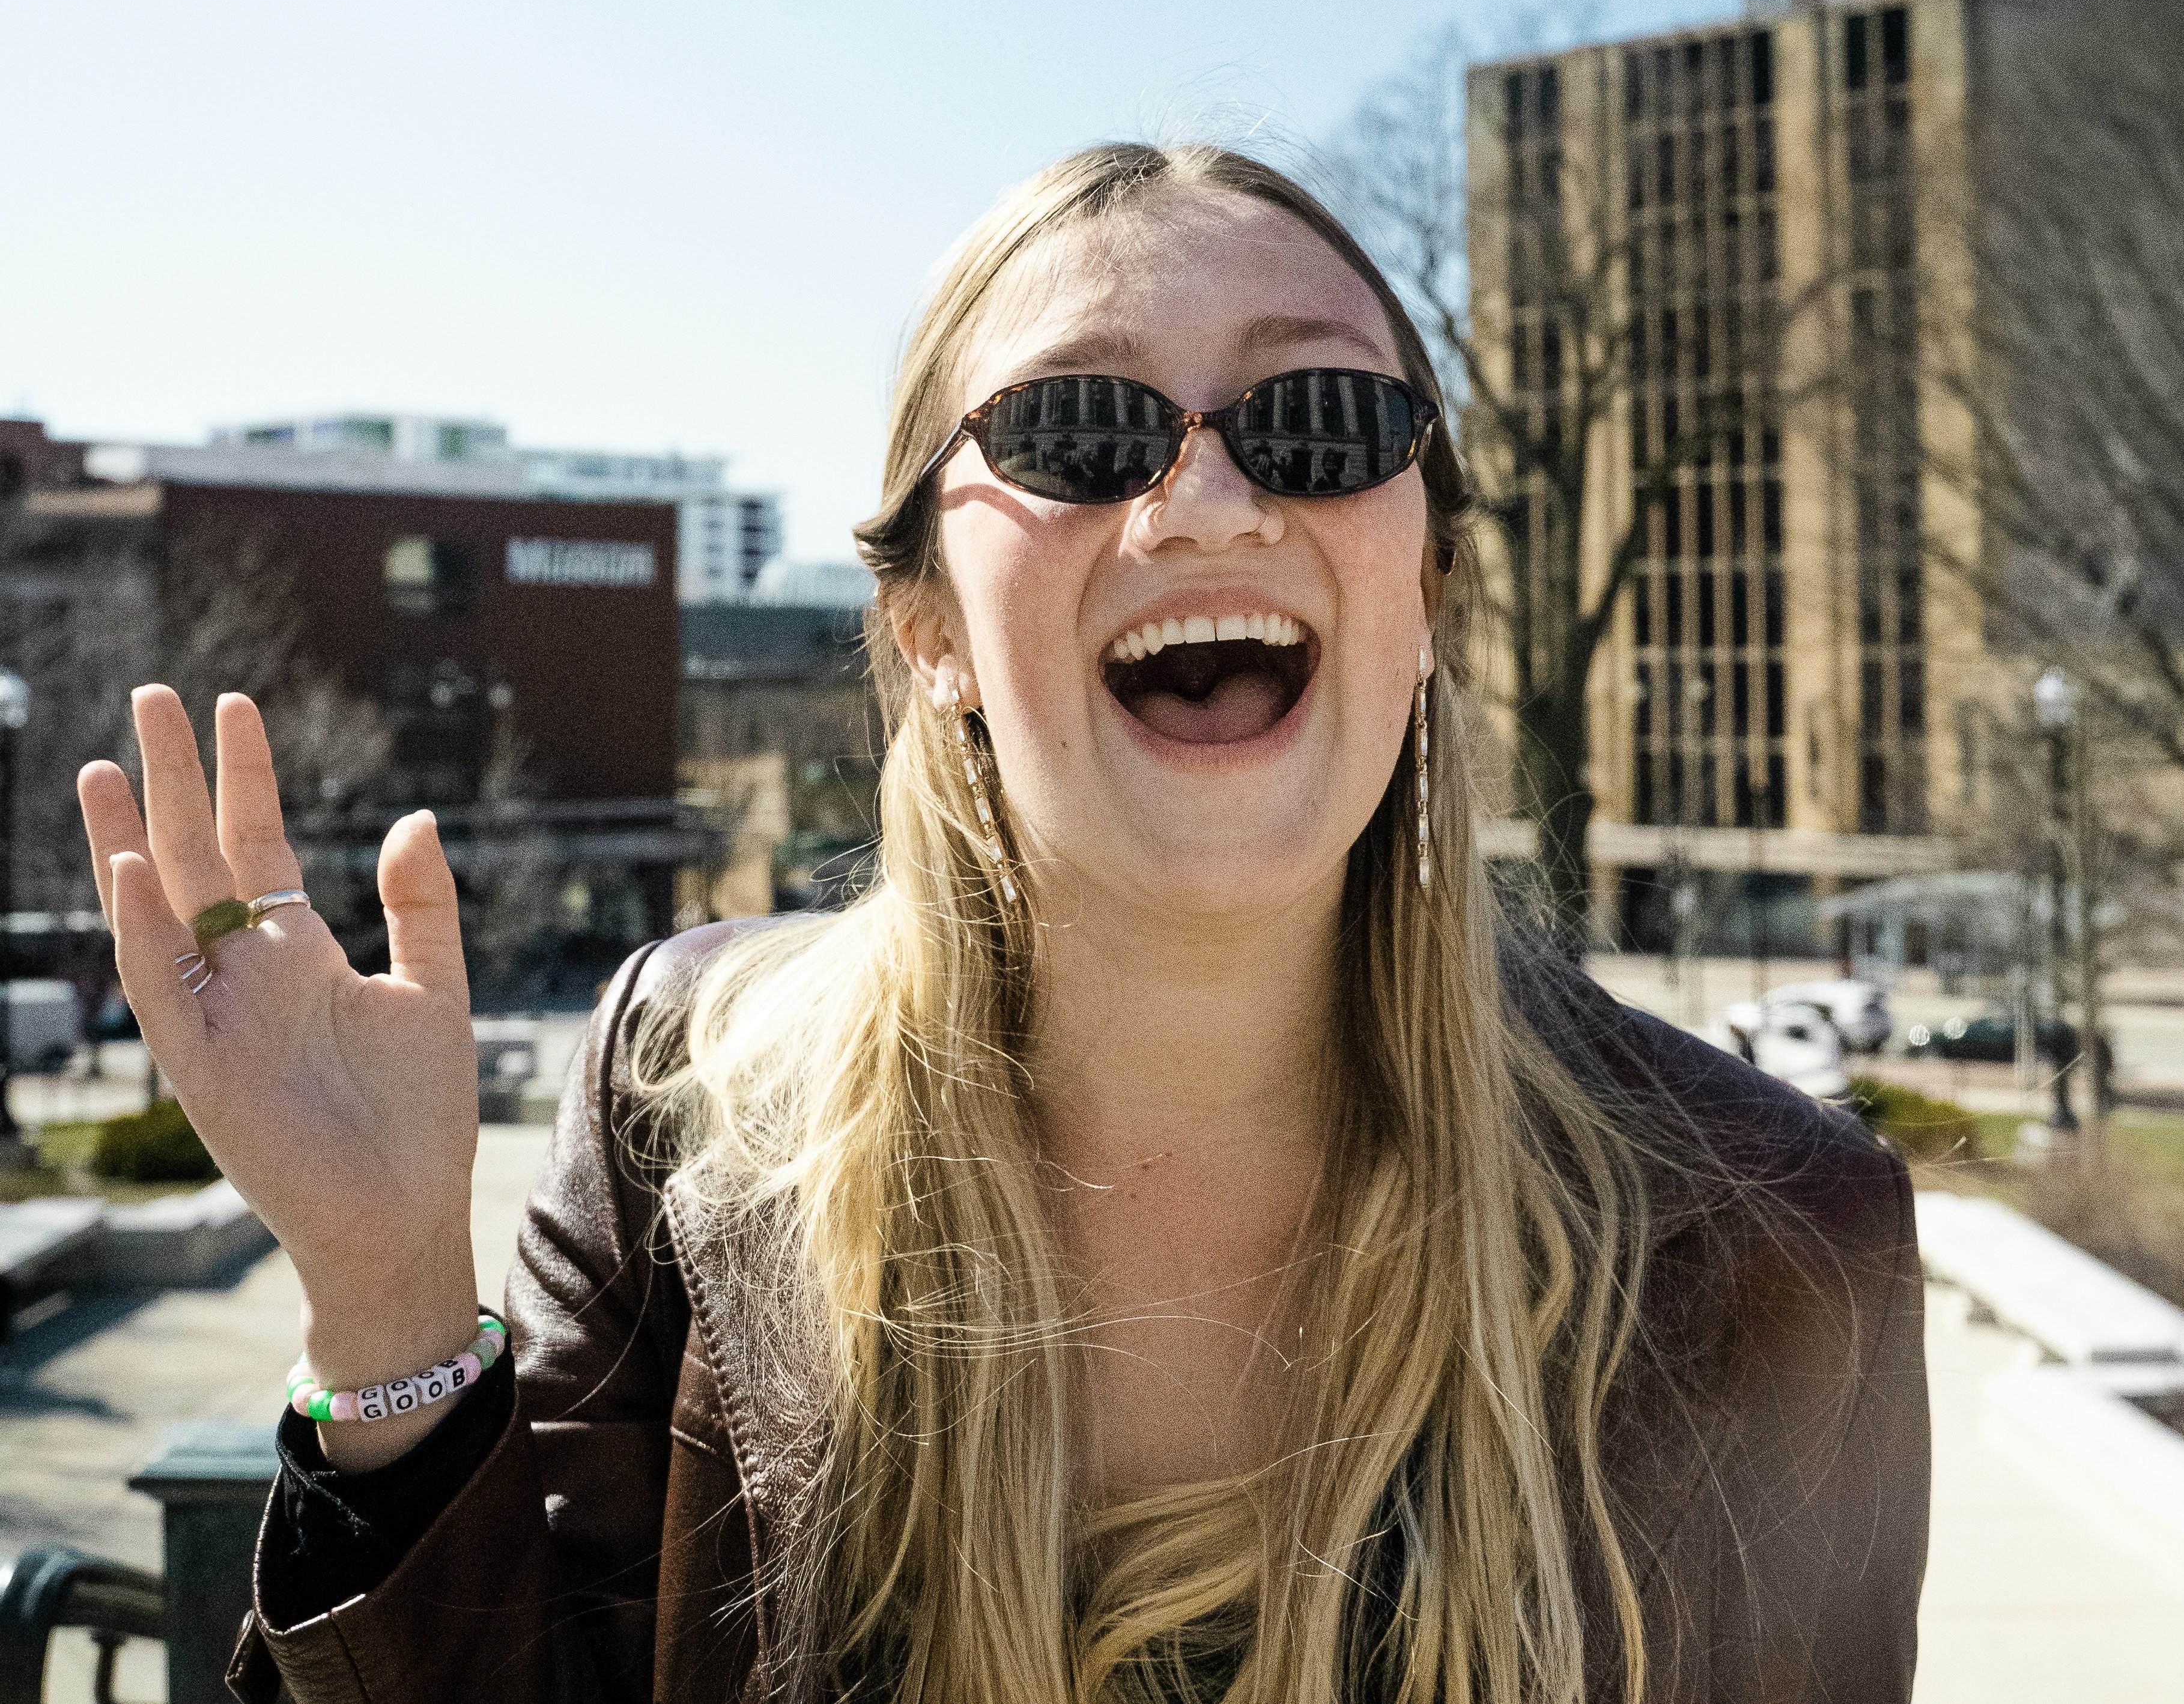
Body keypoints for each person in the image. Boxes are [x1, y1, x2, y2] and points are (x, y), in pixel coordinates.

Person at [77, 144, 1927, 1704]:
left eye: (1322, 419)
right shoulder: (679, 1095)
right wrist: (389, 1290)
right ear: (929, 627)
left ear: (1423, 582)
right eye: (1074, 427)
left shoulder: (1778, 1235)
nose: (1205, 494)